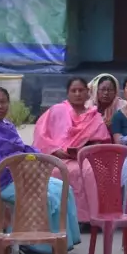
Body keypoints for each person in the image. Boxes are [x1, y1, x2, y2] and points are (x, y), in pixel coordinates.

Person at [0, 85, 79, 253]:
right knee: (47, 197)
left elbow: (21, 148)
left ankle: (63, 240)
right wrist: (21, 173)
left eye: (3, 102)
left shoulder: (6, 125)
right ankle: (35, 245)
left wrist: (39, 156)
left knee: (64, 188)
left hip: (19, 175)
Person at [34, 76, 112, 221]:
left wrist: (86, 151)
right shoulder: (56, 110)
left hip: (86, 158)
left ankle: (90, 218)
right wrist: (55, 150)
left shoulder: (94, 116)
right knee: (58, 171)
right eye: (73, 90)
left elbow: (101, 141)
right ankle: (63, 218)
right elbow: (41, 135)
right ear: (68, 93)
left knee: (93, 171)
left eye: (81, 90)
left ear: (88, 92)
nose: (77, 94)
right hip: (57, 157)